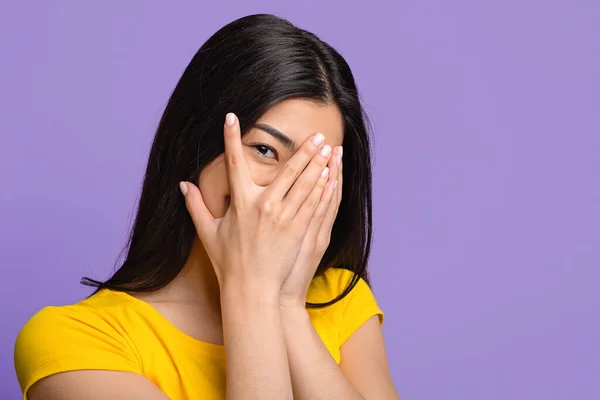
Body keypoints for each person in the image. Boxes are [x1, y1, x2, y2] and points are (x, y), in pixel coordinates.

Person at [14, 13, 400, 400]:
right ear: (195, 143)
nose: (286, 190)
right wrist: (253, 293)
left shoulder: (343, 300)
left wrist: (286, 307)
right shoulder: (75, 339)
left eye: (314, 168)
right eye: (265, 150)